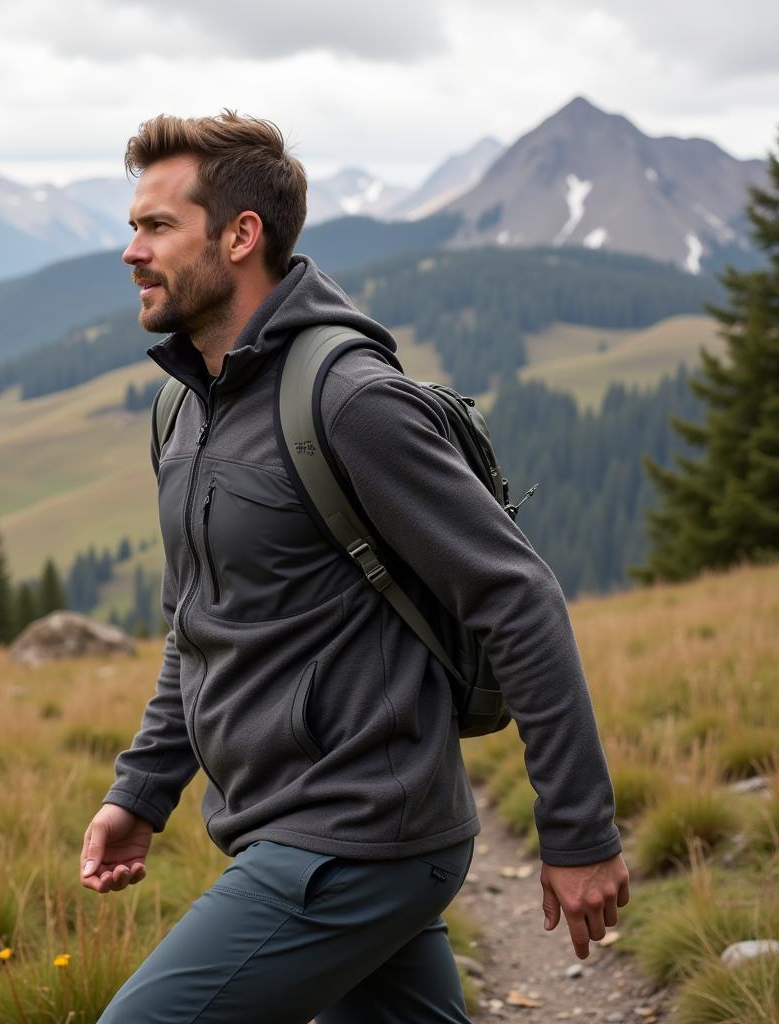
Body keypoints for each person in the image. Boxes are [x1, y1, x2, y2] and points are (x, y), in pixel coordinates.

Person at [80, 111, 629, 1024]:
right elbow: (200, 622)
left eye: (156, 227)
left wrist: (578, 831)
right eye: (133, 226)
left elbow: (517, 597)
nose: (131, 251)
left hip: (358, 836)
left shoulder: (349, 399)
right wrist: (143, 789)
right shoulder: (183, 414)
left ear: (241, 235)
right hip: (294, 826)